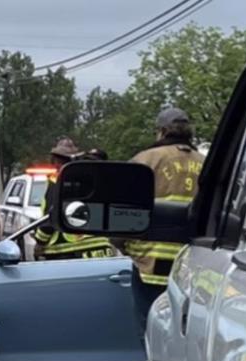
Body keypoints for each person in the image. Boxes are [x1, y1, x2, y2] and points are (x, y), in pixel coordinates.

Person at [123, 107, 206, 334]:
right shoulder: (207, 164)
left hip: (150, 262)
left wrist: (123, 244)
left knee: (150, 330)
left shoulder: (145, 160)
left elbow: (123, 209)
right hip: (194, 262)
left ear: (161, 132)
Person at [33, 138, 118, 261]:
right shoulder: (95, 180)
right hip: (102, 251)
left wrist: (39, 242)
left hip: (68, 253)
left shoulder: (57, 181)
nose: (56, 164)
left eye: (57, 160)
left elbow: (51, 218)